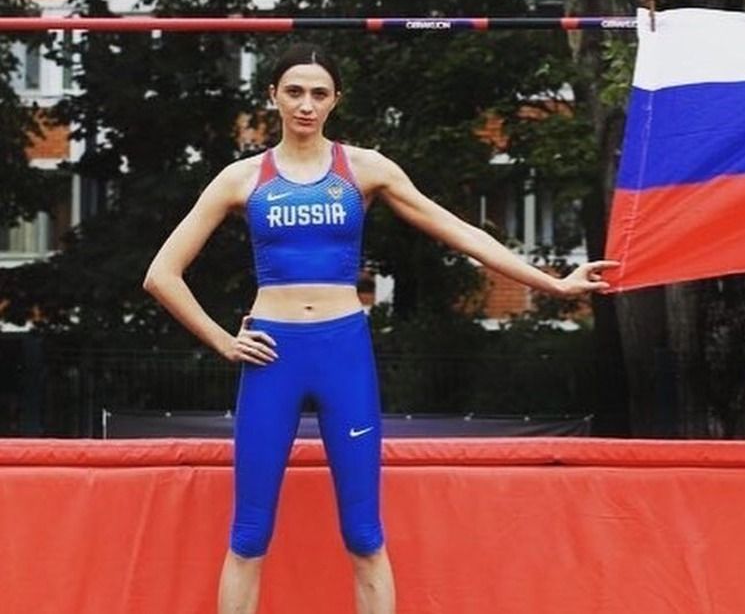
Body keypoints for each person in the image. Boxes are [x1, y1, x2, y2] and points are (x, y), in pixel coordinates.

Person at [143, 42, 617, 614]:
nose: (306, 105)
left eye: (319, 93)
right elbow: (161, 275)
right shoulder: (242, 178)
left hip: (342, 351)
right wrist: (223, 340)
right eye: (294, 92)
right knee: (249, 535)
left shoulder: (364, 169)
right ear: (272, 96)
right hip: (272, 354)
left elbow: (459, 231)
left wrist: (554, 284)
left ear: (335, 100)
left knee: (364, 533)